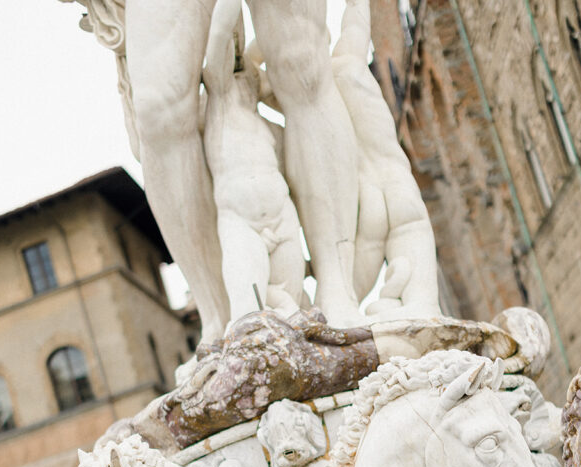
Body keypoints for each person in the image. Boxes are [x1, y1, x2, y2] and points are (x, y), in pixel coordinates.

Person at [62, 0, 361, 332]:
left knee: (303, 63)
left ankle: (337, 286)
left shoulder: (251, 115)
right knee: (160, 111)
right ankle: (217, 316)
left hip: (273, 211)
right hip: (240, 214)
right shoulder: (222, 97)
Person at [332, 0, 442, 319]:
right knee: (425, 307)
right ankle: (421, 307)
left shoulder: (315, 93)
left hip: (367, 198)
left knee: (344, 303)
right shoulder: (350, 62)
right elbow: (356, 19)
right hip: (398, 183)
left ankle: (347, 317)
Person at [203, 0, 305, 321]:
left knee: (294, 312)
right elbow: (219, 35)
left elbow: (286, 62)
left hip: (283, 219)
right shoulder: (219, 102)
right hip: (241, 224)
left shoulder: (270, 128)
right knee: (248, 315)